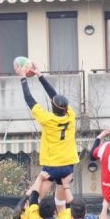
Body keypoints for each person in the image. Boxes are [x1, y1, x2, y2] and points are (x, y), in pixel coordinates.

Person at [17, 64, 79, 197]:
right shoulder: (71, 116)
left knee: (35, 198)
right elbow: (55, 96)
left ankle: (26, 211)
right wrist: (40, 76)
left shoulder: (47, 119)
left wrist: (23, 78)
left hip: (52, 165)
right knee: (61, 203)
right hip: (68, 164)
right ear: (66, 108)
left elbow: (29, 99)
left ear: (53, 106)